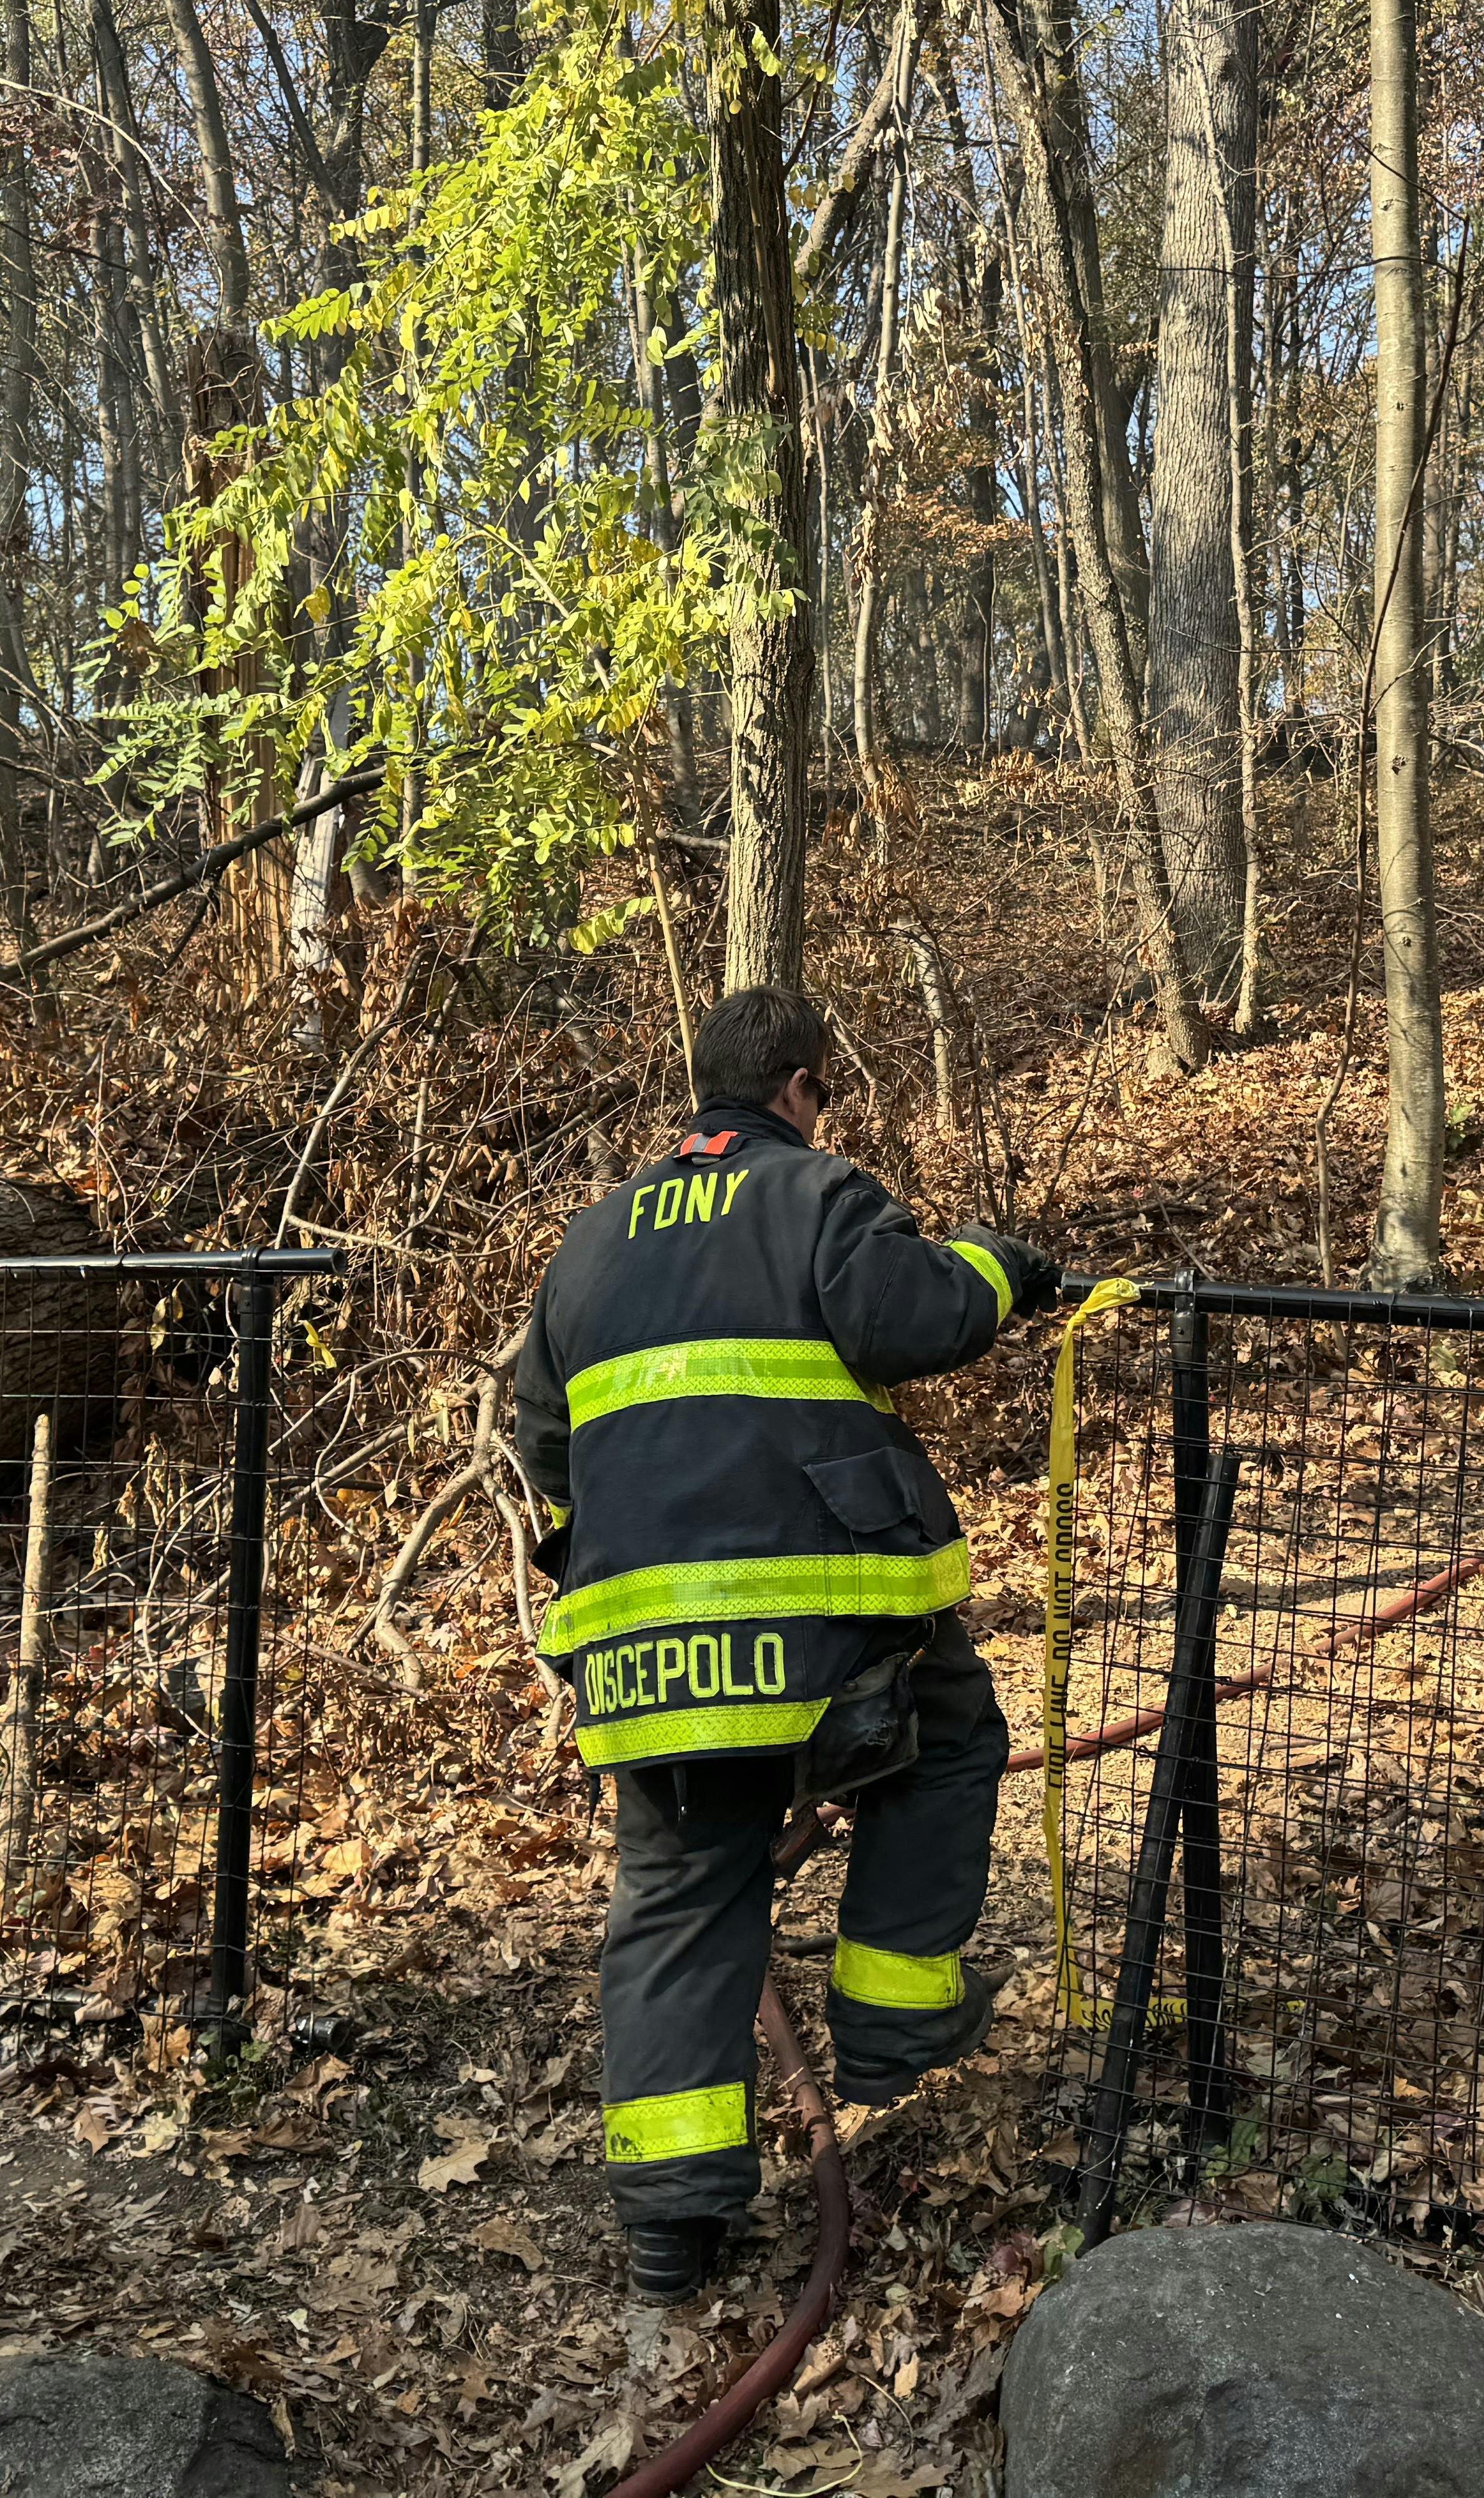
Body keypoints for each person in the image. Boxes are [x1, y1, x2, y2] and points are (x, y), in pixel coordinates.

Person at [514, 988, 1056, 2304]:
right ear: (804, 1087)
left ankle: (669, 2222)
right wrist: (1004, 1263)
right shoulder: (818, 1196)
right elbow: (915, 1318)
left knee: (685, 1892)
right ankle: (887, 2034)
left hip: (641, 1652)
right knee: (949, 1743)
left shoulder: (589, 1246)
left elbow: (546, 1442)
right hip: (824, 1631)